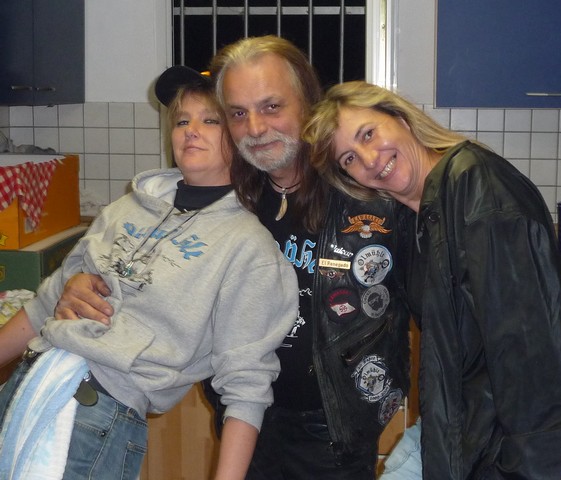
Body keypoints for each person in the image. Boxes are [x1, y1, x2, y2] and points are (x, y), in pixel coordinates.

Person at [54, 36, 412, 480]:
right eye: (238, 113)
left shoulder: (367, 194)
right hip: (243, 416)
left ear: (307, 102)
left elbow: (439, 312)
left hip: (337, 430)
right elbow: (144, 263)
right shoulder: (229, 194)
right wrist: (80, 279)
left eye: (271, 106)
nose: (256, 128)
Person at [0, 66, 298, 480]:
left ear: (240, 137)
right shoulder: (126, 207)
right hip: (28, 384)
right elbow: (46, 303)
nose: (191, 131)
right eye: (182, 121)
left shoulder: (249, 248)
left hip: (95, 414)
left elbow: (247, 386)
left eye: (210, 120)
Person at [303, 81, 561, 479]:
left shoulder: (477, 188)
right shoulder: (419, 214)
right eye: (349, 158)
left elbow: (533, 361)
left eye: (368, 134)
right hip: (455, 431)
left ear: (400, 119)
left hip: (499, 449)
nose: (369, 159)